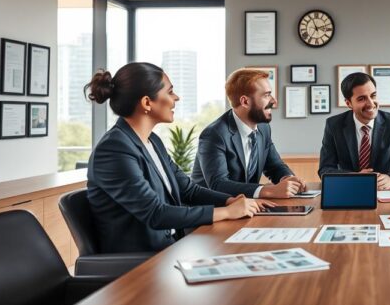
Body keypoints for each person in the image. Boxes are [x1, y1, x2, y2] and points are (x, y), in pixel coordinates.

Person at [85, 63, 274, 253]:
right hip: (140, 262)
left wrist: (229, 201)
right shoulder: (114, 150)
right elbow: (156, 213)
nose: (176, 98)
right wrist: (226, 212)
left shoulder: (153, 141)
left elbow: (188, 190)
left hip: (170, 247)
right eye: (170, 92)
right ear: (147, 103)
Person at [192, 69, 307, 198]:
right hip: (215, 209)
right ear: (245, 102)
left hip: (246, 207)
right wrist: (268, 191)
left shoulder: (263, 128)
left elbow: (274, 166)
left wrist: (288, 179)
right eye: (266, 95)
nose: (274, 101)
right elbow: (218, 184)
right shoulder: (214, 135)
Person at [318, 72, 390, 189]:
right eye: (362, 99)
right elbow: (325, 169)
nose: (370, 103)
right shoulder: (334, 125)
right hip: (348, 188)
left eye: (373, 96)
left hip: (382, 192)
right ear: (348, 103)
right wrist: (355, 177)